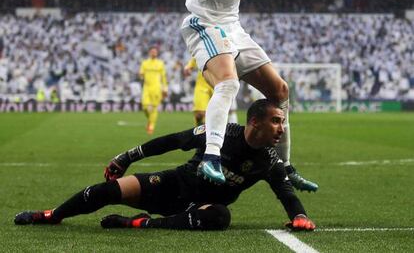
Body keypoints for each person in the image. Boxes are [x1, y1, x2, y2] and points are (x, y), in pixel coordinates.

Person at [179, 0, 318, 188]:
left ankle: (284, 167)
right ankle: (211, 157)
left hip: (232, 27)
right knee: (228, 84)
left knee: (279, 91)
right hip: (203, 23)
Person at [14, 99, 316, 232]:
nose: (281, 128)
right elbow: (172, 141)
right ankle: (52, 215)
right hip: (173, 183)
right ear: (254, 121)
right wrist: (127, 157)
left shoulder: (271, 162)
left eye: (282, 122)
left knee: (220, 217)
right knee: (109, 190)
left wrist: (300, 216)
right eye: (276, 121)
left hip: (198, 208)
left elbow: (286, 194)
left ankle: (140, 223)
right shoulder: (219, 132)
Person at [184, 57, 238, 126]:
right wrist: (189, 66)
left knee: (219, 114)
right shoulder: (204, 48)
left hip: (218, 84)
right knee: (199, 114)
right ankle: (200, 133)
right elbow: (196, 56)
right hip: (202, 84)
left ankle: (213, 133)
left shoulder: (225, 49)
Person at [139, 46, 168, 134]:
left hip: (157, 88)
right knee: (145, 107)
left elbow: (163, 77)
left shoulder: (160, 63)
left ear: (157, 53)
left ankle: (151, 126)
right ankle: (150, 120)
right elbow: (141, 73)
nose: (153, 53)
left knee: (154, 108)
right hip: (146, 88)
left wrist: (165, 88)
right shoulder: (144, 63)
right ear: (149, 53)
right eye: (152, 51)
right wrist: (141, 75)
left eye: (155, 52)